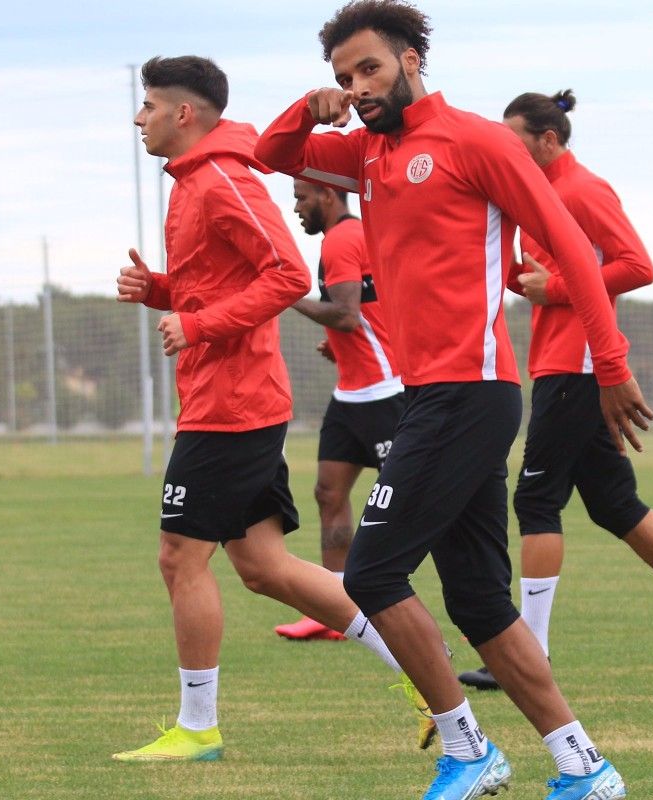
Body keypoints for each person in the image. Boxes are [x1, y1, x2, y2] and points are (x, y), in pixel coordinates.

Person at [255, 4, 653, 798]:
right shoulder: (365, 151)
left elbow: (574, 250)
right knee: (478, 601)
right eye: (344, 77)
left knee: (372, 574)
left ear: (411, 60)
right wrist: (310, 107)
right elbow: (272, 153)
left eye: (370, 69)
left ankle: (468, 750)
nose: (358, 88)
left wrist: (610, 363)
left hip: (470, 393)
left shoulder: (477, 142)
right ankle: (584, 767)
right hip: (429, 397)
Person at [111, 54, 427, 763]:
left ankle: (198, 729)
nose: (139, 118)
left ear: (184, 113)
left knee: (179, 558)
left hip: (232, 404)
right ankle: (421, 666)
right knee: (263, 567)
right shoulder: (193, 181)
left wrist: (198, 325)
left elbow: (285, 273)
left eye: (149, 105)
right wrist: (158, 290)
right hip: (224, 398)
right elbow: (217, 284)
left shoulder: (223, 177)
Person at [456, 89, 653, 695]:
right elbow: (539, 276)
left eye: (515, 141)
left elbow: (637, 265)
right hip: (562, 364)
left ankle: (528, 655)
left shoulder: (584, 190)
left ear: (549, 140)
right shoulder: (534, 195)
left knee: (536, 502)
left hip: (581, 366)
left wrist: (556, 288)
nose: (505, 151)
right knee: (614, 505)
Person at [273, 180, 407, 644]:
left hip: (387, 393)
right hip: (351, 396)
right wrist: (339, 344)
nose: (296, 207)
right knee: (328, 494)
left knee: (414, 503)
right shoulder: (347, 237)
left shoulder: (342, 238)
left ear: (328, 196)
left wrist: (287, 296)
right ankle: (336, 612)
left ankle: (478, 606)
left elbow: (347, 315)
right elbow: (364, 310)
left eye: (302, 197)